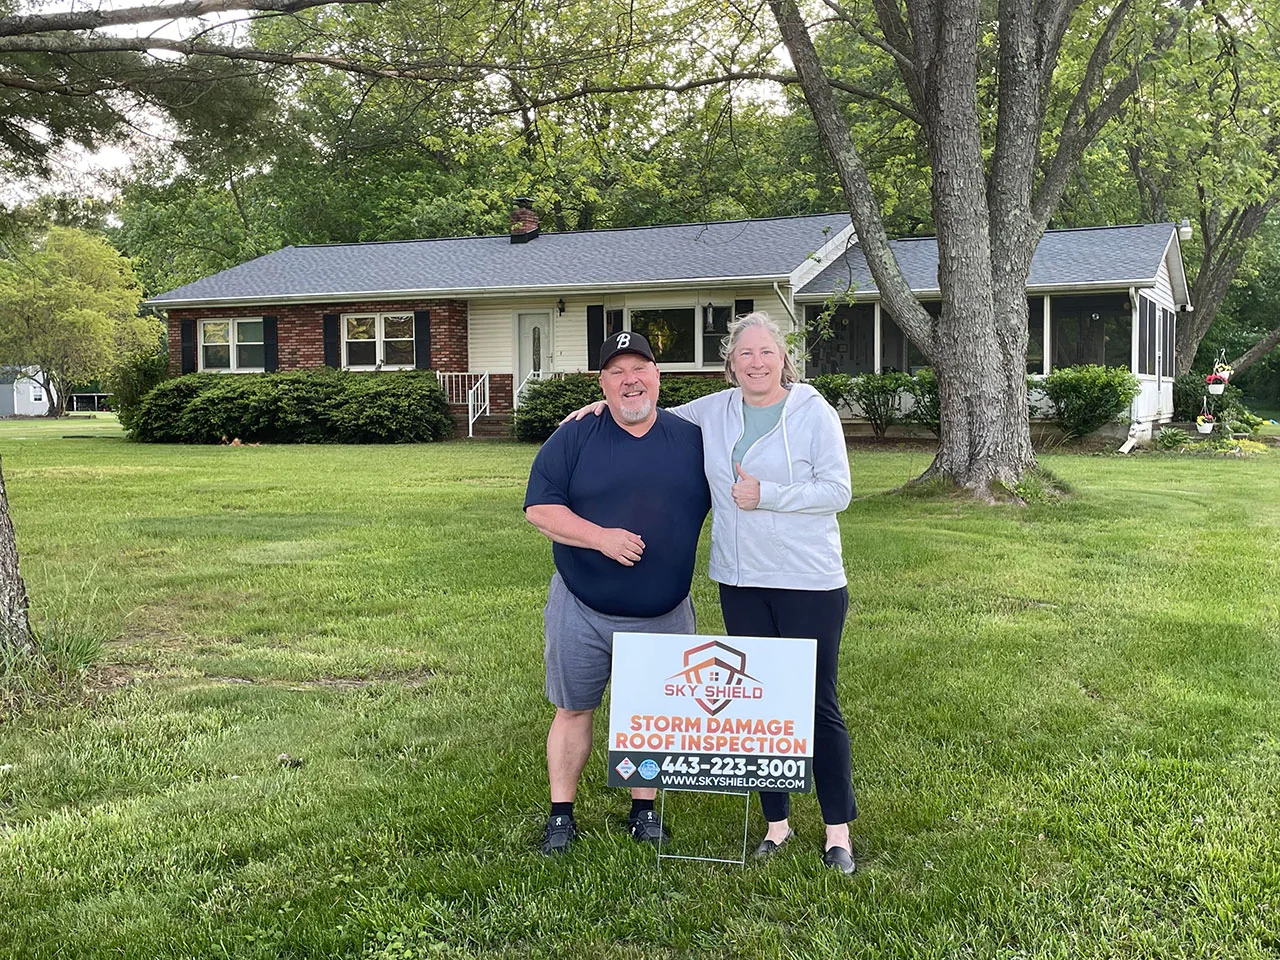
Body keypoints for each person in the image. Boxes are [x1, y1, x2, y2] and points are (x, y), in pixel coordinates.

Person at [563, 311, 857, 873]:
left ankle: (837, 832)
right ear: (731, 364)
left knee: (817, 703)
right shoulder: (715, 410)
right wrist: (601, 408)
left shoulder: (812, 409)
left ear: (783, 358)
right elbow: (649, 411)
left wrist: (766, 494)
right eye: (745, 354)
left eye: (766, 352)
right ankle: (776, 825)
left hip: (807, 580)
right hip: (740, 580)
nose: (756, 363)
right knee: (764, 705)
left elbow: (838, 490)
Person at [524, 330, 712, 856]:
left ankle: (643, 810)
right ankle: (562, 813)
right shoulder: (575, 436)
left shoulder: (692, 439)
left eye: (640, 368)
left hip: (664, 611)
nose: (630, 380)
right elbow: (540, 508)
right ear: (601, 382)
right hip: (581, 606)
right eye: (616, 372)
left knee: (649, 715)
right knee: (573, 709)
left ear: (658, 375)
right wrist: (599, 538)